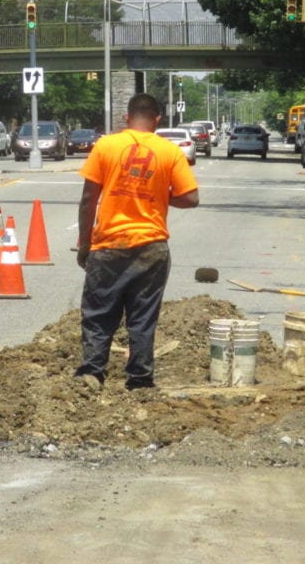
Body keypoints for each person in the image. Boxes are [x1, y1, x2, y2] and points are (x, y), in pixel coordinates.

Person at [75, 93, 199, 390]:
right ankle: (140, 380)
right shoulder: (169, 152)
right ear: (158, 119)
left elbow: (88, 199)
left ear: (126, 118)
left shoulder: (106, 145)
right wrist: (158, 194)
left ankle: (92, 373)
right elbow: (191, 197)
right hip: (152, 247)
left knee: (98, 314)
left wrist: (84, 244)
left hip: (109, 245)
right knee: (142, 317)